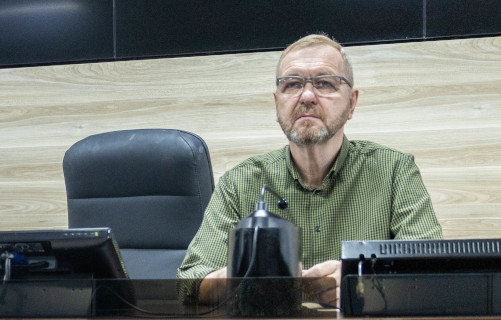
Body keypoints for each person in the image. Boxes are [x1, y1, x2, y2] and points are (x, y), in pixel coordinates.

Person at [177, 33, 442, 306]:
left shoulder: (394, 170)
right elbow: (190, 284)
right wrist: (245, 275)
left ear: (351, 103)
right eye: (292, 84)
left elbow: (432, 268)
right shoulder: (240, 182)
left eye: (324, 83)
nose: (306, 96)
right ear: (277, 103)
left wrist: (363, 281)